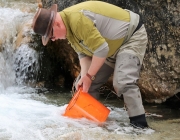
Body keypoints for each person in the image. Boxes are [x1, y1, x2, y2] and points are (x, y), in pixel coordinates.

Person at [32, 1, 149, 129]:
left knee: (123, 82)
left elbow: (102, 50)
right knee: (83, 86)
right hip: (109, 48)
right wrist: (85, 77)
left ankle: (140, 127)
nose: (53, 39)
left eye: (51, 35)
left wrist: (89, 75)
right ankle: (93, 125)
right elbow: (83, 56)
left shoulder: (77, 20)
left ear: (56, 24)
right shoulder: (68, 28)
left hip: (130, 38)